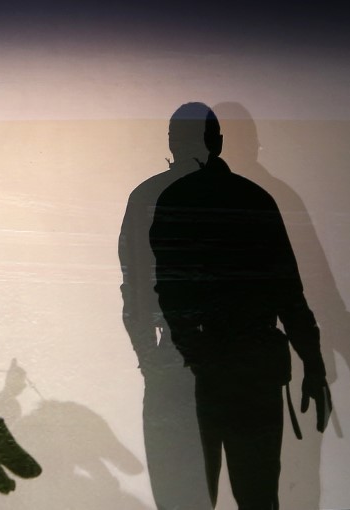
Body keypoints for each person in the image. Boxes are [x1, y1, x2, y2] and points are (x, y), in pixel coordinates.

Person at [148, 102, 332, 509]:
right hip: (254, 372)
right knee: (258, 497)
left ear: (173, 144)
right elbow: (290, 293)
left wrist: (189, 358)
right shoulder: (256, 199)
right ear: (220, 143)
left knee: (192, 499)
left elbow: (168, 293)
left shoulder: (170, 200)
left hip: (195, 376)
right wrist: (313, 363)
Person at [119, 104, 211, 509]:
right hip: (227, 356)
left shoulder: (144, 196)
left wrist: (147, 357)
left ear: (171, 141)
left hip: (169, 355)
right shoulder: (237, 196)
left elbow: (131, 287)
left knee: (174, 485)